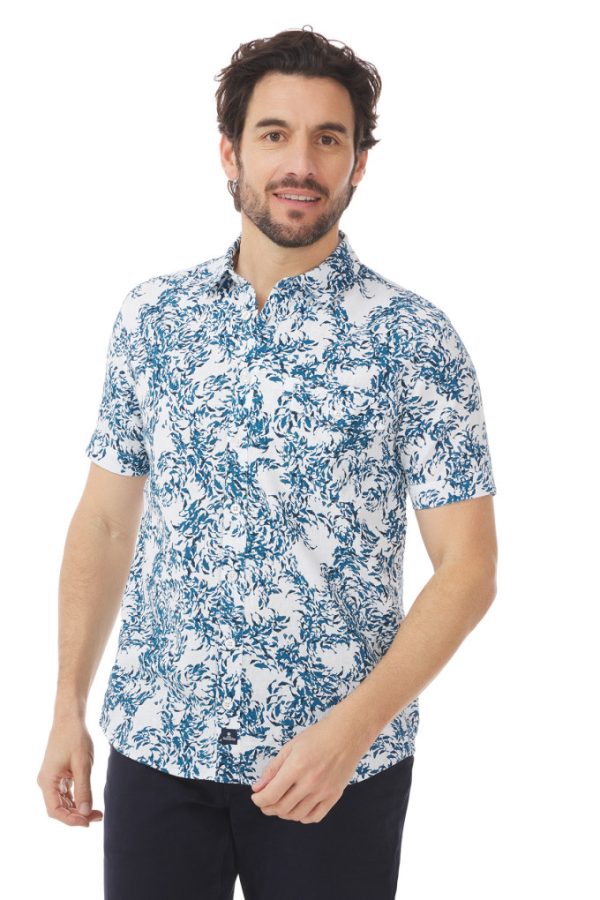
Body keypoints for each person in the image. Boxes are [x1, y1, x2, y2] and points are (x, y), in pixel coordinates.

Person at [37, 25, 498, 900]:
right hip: (157, 746)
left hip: (330, 770)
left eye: (329, 139)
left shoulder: (414, 339)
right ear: (230, 151)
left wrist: (352, 734)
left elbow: (469, 568)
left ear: (359, 163)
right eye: (275, 134)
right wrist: (67, 705)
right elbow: (103, 520)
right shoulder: (153, 317)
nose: (301, 164)